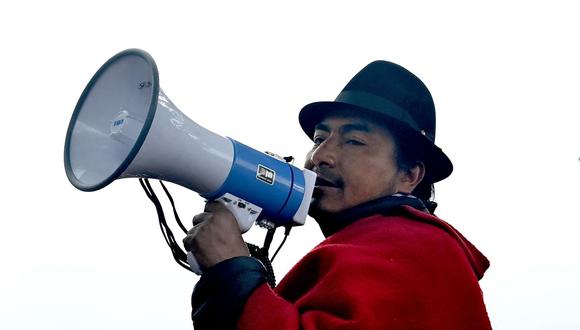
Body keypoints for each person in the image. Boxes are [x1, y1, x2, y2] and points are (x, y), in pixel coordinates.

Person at [183, 61, 492, 329]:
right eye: (319, 138)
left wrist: (231, 269)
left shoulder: (417, 247)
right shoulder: (384, 247)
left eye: (354, 142)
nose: (321, 156)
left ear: (409, 175)